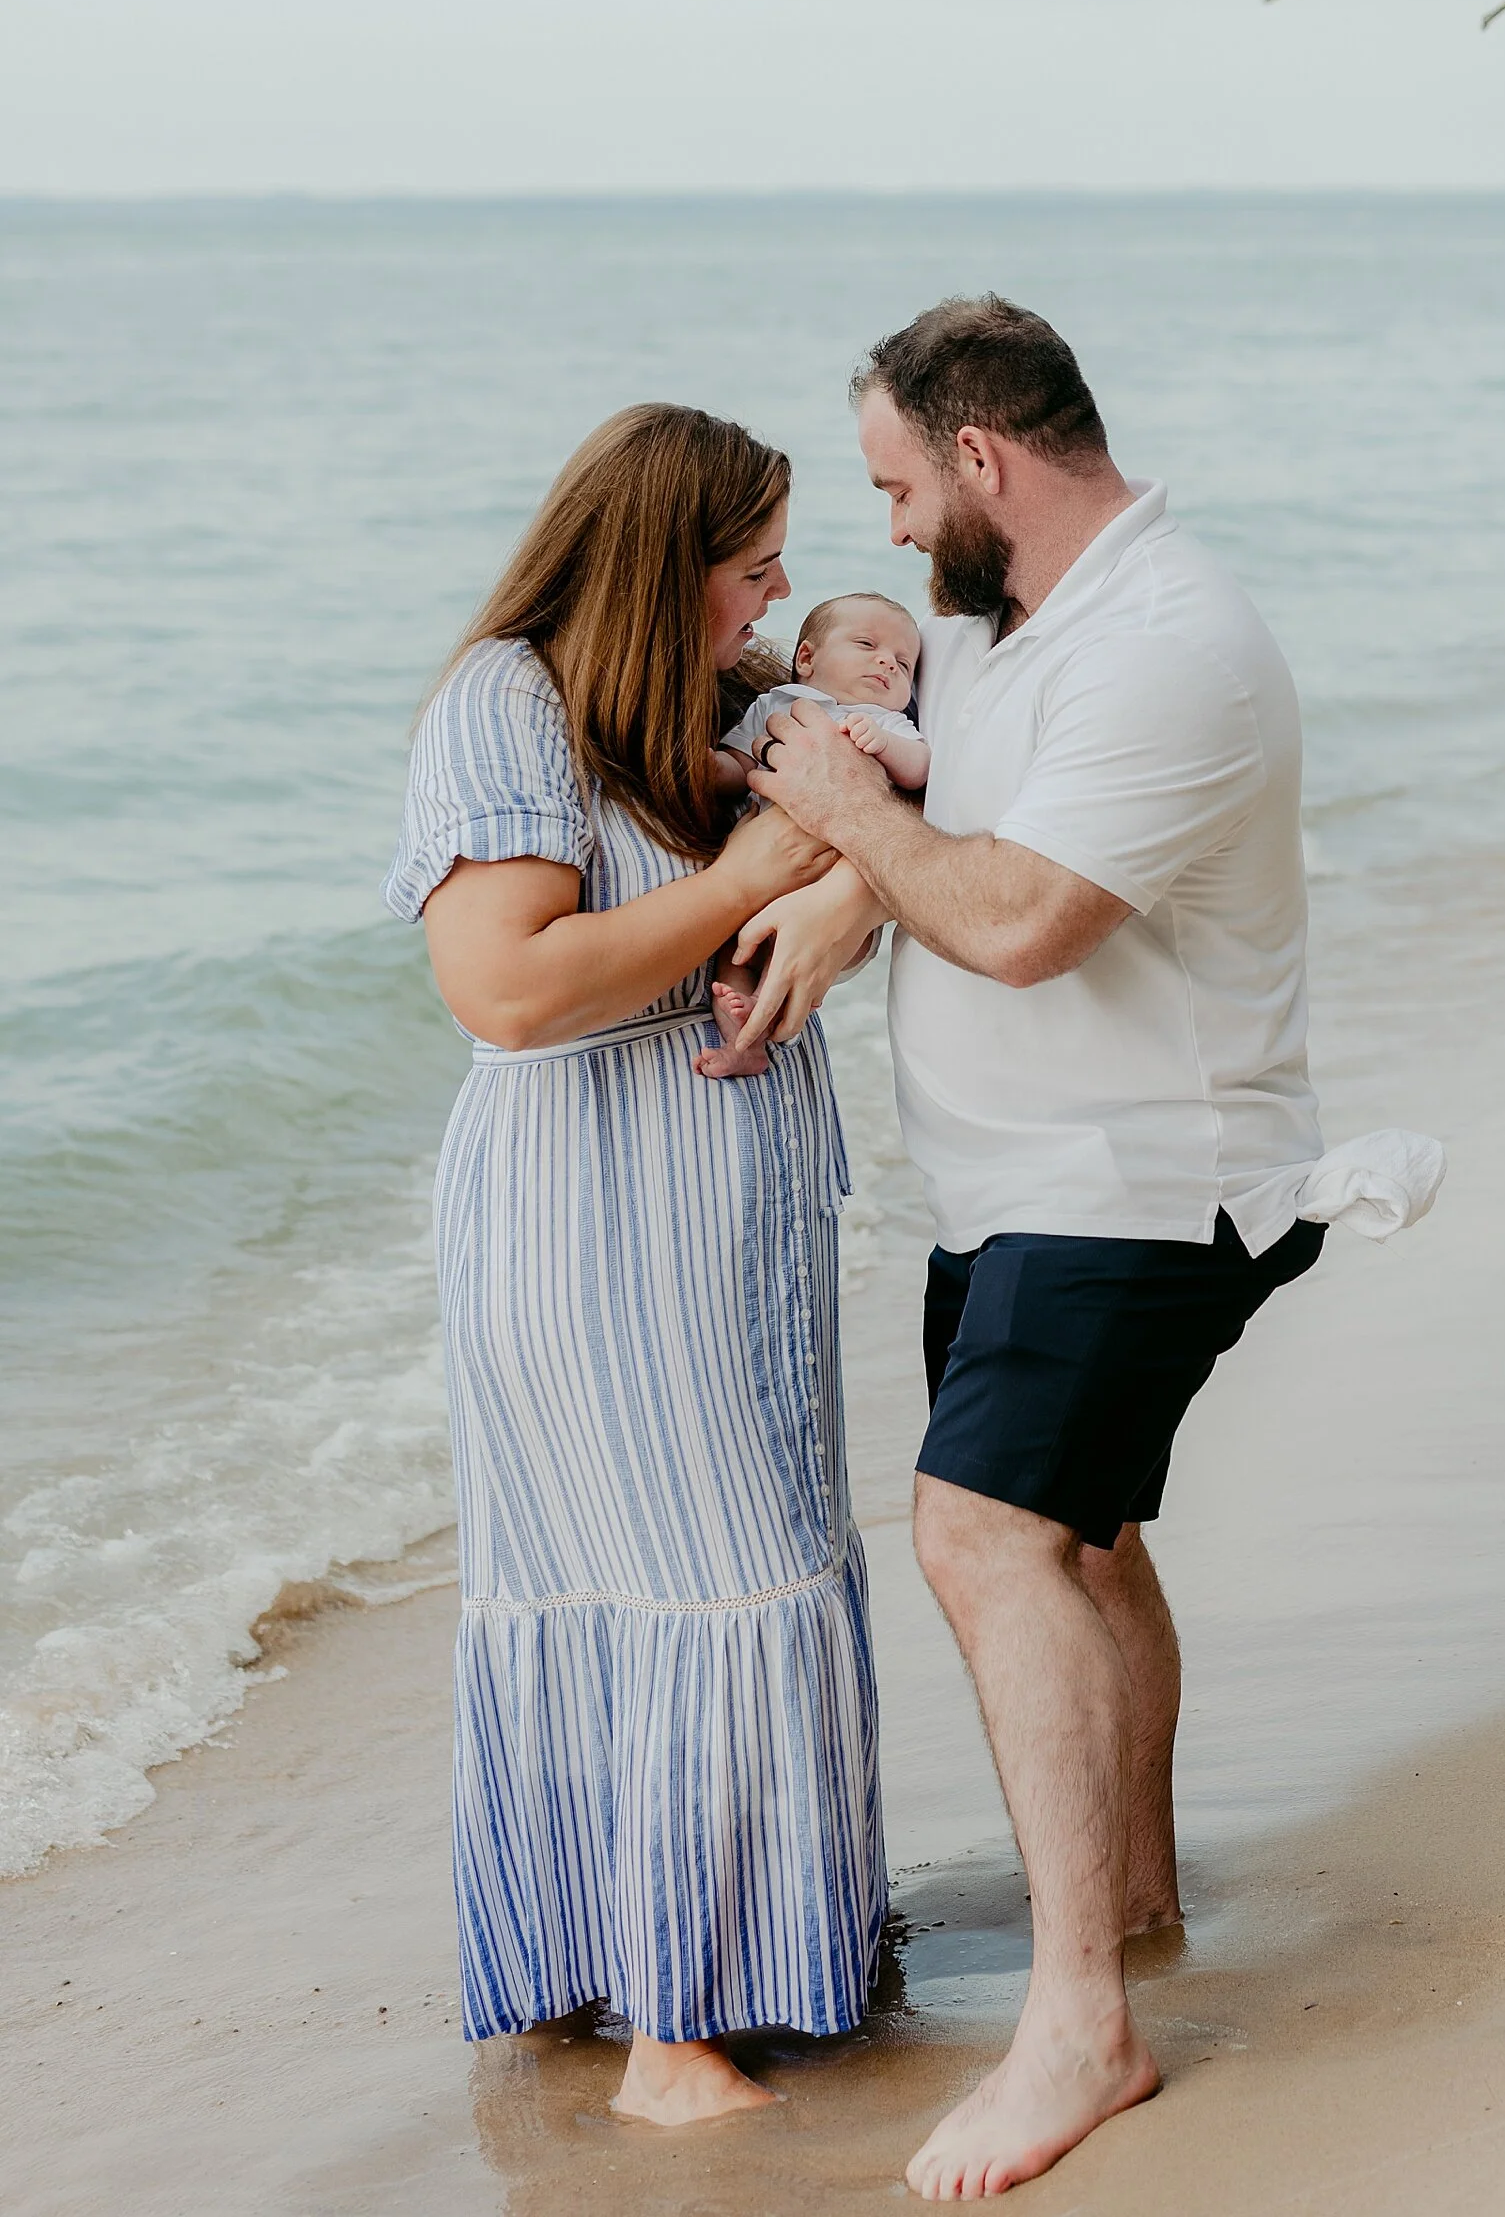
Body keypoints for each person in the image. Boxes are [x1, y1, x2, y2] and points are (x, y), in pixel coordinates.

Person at [747, 297, 1444, 2198]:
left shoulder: (1172, 642)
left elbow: (1028, 915)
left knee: (979, 1536)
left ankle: (1080, 2024)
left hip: (1135, 1184)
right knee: (1080, 1535)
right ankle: (1123, 1900)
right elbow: (947, 821)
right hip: (1027, 1183)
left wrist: (823, 812)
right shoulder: (1008, 626)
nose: (888, 533)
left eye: (897, 484)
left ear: (984, 459)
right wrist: (839, 895)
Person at [382, 402, 888, 2131]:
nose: (779, 588)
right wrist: (754, 871)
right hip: (589, 1210)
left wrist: (832, 889)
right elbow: (508, 988)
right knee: (692, 1577)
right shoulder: (507, 703)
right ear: (661, 561)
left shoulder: (702, 704)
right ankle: (670, 2035)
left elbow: (883, 785)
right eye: (751, 562)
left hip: (722, 1216)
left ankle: (731, 1958)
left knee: (746, 1557)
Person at [698, 594, 928, 1080]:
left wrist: (885, 746)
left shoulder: (886, 722)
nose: (887, 661)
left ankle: (771, 1016)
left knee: (801, 958)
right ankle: (742, 1037)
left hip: (833, 878)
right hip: (761, 870)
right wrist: (701, 769)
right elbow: (739, 766)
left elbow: (921, 770)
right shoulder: (773, 704)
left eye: (904, 664)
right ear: (806, 657)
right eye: (867, 644)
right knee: (732, 952)